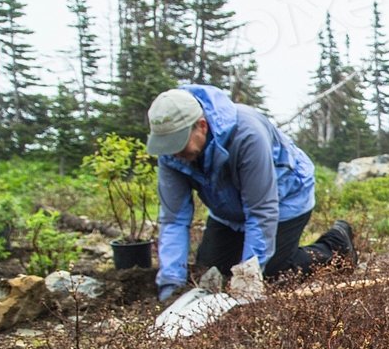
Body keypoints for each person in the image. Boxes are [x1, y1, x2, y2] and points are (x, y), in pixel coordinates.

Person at [145, 85, 357, 302]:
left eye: (179, 143)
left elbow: (261, 211)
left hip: (285, 198)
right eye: (168, 145)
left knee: (270, 273)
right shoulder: (171, 155)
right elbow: (174, 220)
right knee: (208, 272)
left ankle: (335, 247)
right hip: (228, 210)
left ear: (201, 126)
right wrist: (171, 285)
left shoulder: (247, 135)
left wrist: (248, 277)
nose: (174, 153)